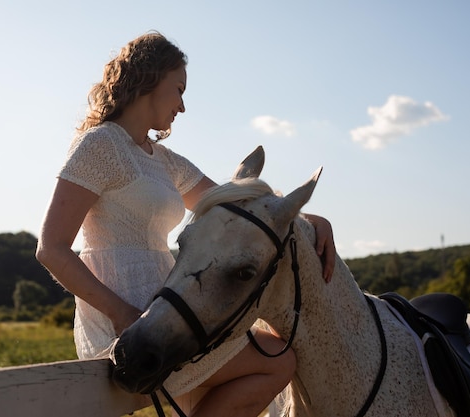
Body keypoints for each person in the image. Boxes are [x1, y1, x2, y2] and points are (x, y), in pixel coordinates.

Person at [36, 31, 336, 417]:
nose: (182, 105)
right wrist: (123, 314)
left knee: (278, 352)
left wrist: (306, 216)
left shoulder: (164, 160)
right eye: (178, 89)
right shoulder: (100, 145)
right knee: (277, 359)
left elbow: (235, 204)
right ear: (150, 77)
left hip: (170, 306)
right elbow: (52, 248)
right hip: (126, 319)